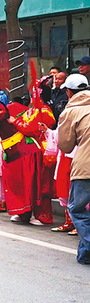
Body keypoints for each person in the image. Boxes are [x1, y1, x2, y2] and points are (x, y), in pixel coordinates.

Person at [57, 73, 90, 264]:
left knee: (77, 210)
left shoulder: (70, 111)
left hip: (85, 168)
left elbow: (65, 146)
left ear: (69, 92)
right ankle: (85, 254)